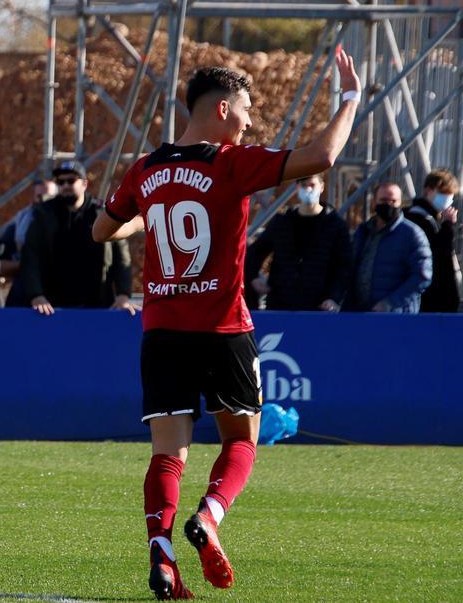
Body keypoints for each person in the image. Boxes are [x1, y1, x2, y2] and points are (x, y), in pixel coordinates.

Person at [93, 50, 360, 599]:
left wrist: (150, 211)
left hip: (161, 329)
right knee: (242, 439)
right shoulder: (228, 161)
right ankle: (209, 517)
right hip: (222, 327)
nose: (250, 119)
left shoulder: (146, 169)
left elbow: (102, 230)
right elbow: (323, 155)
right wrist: (352, 97)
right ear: (220, 108)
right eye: (246, 107)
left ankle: (161, 553)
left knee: (168, 452)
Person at [19, 160, 135, 315]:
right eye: (60, 182)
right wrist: (36, 296)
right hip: (53, 307)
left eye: (71, 180)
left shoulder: (101, 213)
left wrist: (123, 295)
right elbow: (30, 256)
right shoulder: (43, 214)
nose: (65, 185)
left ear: (84, 184)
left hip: (97, 304)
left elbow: (122, 258)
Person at [244, 174, 351, 311]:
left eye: (312, 185)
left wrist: (333, 297)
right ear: (297, 188)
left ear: (322, 187)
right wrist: (253, 277)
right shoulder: (282, 222)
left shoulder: (336, 226)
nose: (307, 189)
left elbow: (344, 266)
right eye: (303, 185)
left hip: (318, 306)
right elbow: (255, 252)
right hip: (281, 304)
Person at [344, 182, 432, 313]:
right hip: (360, 313)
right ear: (374, 202)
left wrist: (389, 303)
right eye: (384, 200)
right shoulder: (363, 232)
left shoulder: (412, 234)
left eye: (393, 201)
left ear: (400, 203)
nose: (389, 205)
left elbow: (422, 276)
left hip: (396, 316)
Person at [404, 169, 460, 312]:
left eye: (450, 195)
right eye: (444, 193)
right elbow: (439, 252)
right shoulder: (417, 218)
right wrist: (448, 226)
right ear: (428, 190)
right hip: (428, 298)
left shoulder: (433, 219)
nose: (448, 198)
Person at [0, 176, 56, 306]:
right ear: (32, 199)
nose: (45, 202)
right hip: (23, 296)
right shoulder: (19, 226)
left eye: (50, 197)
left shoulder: (67, 224)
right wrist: (26, 264)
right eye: (40, 197)